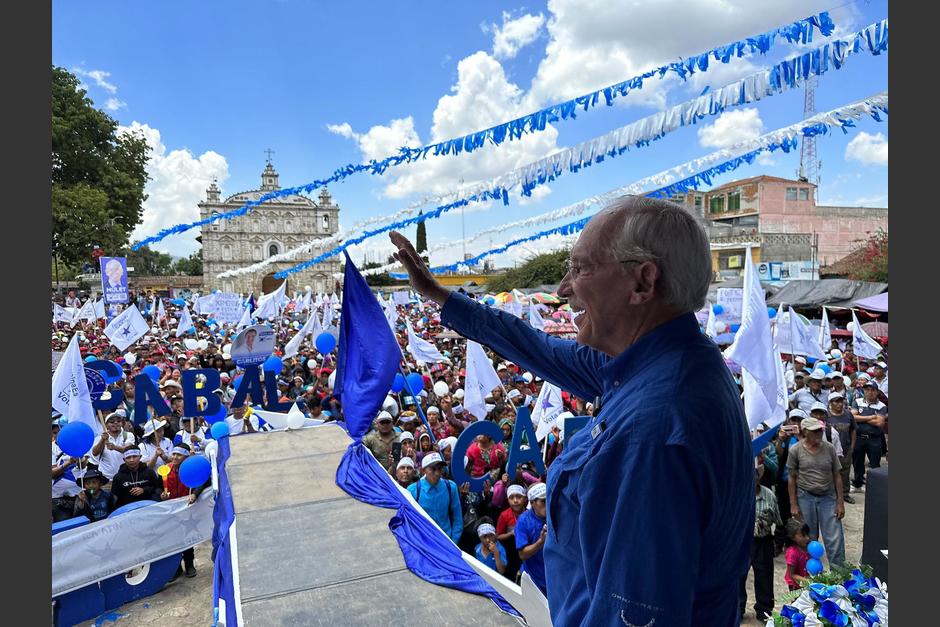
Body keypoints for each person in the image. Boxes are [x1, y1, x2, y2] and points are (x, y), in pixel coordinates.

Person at [390, 195, 753, 625]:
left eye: (580, 269)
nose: (563, 288)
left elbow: (631, 616)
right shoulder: (657, 364)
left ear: (642, 282)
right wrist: (439, 296)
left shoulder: (651, 431)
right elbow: (535, 346)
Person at [787, 417, 846, 566]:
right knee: (808, 538)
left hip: (828, 497)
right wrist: (793, 504)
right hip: (805, 497)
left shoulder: (829, 448)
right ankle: (811, 576)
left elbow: (837, 475)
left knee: (835, 538)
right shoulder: (796, 450)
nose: (819, 433)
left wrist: (840, 502)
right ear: (806, 432)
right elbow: (792, 478)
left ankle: (839, 576)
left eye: (820, 430)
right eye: (815, 431)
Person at [160, 443, 210, 579]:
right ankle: (176, 568)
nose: (175, 457)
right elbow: (157, 488)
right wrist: (160, 495)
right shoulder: (165, 469)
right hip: (170, 510)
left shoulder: (192, 469)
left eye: (179, 455)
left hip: (187, 508)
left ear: (186, 457)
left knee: (187, 538)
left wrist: (195, 494)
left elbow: (203, 482)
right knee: (173, 539)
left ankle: (189, 564)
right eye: (174, 454)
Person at [739, 464, 782, 621]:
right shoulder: (738, 494)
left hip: (763, 540)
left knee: (764, 574)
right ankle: (738, 607)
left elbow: (777, 519)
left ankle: (764, 609)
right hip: (743, 540)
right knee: (738, 575)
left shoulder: (769, 495)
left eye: (756, 475)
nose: (753, 478)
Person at [407, 452, 462, 545]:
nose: (437, 473)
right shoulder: (412, 491)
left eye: (440, 469)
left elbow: (457, 518)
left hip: (446, 541)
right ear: (423, 470)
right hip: (423, 542)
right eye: (432, 469)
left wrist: (453, 542)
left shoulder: (451, 487)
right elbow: (409, 520)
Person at [850, 380, 887, 492]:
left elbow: (879, 423)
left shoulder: (882, 406)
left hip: (874, 438)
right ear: (864, 391)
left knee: (875, 463)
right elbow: (852, 417)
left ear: (877, 392)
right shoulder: (857, 401)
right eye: (867, 390)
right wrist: (871, 417)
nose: (869, 392)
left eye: (872, 390)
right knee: (857, 462)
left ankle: (874, 486)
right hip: (859, 437)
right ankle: (857, 483)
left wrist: (861, 417)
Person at [514, 482, 549, 595]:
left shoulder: (556, 514)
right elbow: (522, 554)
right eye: (543, 501)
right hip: (533, 581)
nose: (547, 504)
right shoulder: (523, 522)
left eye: (549, 499)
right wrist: (541, 541)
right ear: (533, 502)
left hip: (554, 579)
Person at [826, 392, 857, 504]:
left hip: (845, 449)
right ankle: (831, 493)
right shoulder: (826, 415)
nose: (839, 404)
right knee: (830, 472)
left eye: (841, 401)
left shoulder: (848, 415)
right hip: (830, 450)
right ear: (830, 403)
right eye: (836, 401)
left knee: (845, 471)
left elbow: (853, 430)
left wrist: (852, 446)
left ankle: (845, 494)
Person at [90, 412, 138, 482]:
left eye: (118, 421)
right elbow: (95, 453)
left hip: (126, 477)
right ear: (106, 425)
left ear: (122, 423)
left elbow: (128, 449)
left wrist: (115, 447)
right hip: (106, 478)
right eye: (112, 422)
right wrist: (102, 440)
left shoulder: (128, 435)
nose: (116, 423)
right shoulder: (99, 438)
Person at [783, 518, 812, 591]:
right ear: (792, 537)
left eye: (807, 534)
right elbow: (791, 574)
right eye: (802, 536)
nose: (807, 538)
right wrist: (807, 581)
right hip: (795, 585)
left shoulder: (809, 548)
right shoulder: (792, 553)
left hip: (807, 582)